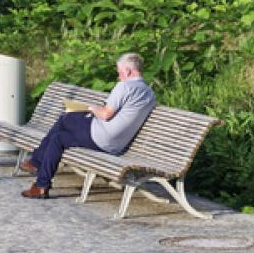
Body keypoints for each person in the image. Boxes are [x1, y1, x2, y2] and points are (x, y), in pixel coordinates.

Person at [21, 51, 155, 199]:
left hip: (101, 137)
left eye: (120, 72)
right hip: (116, 145)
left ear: (128, 71)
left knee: (66, 118)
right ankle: (41, 185)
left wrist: (90, 107)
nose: (119, 76)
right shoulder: (150, 94)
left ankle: (36, 161)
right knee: (59, 138)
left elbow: (105, 114)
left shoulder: (125, 86)